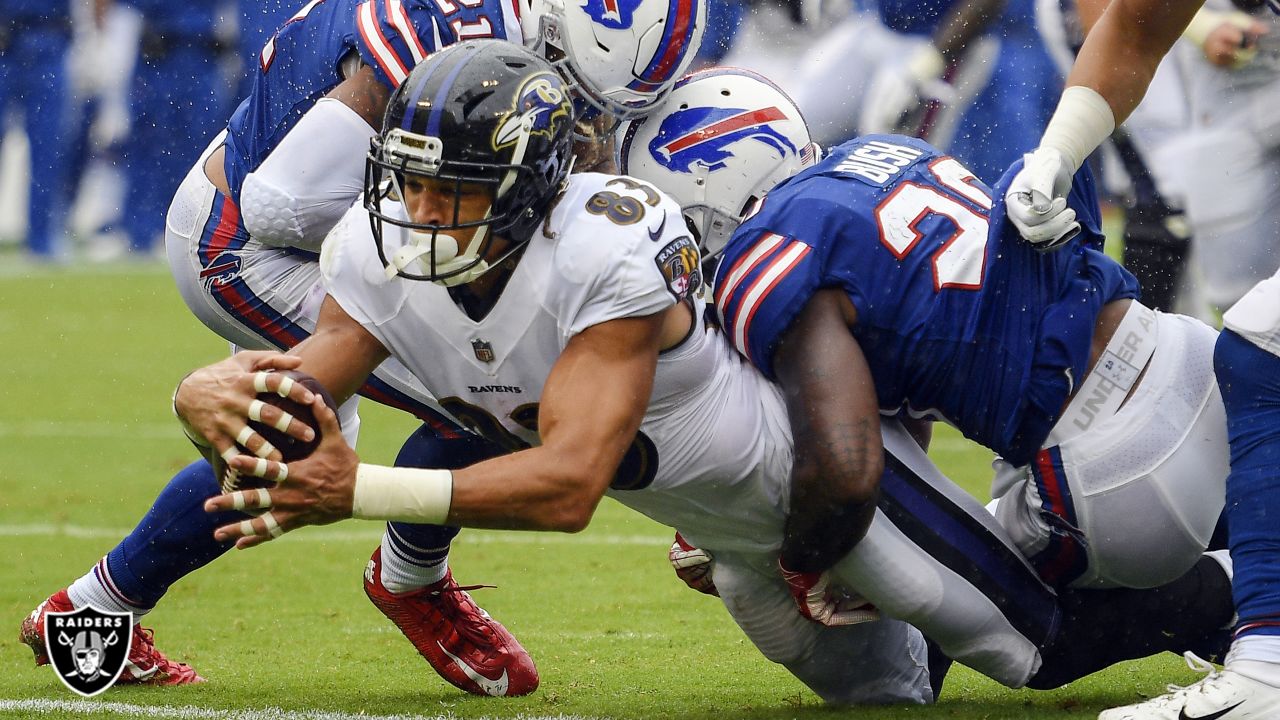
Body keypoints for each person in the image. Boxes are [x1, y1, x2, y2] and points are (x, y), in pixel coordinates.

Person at [188, 50, 1233, 704]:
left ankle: (1236, 608)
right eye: (408, 186)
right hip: (738, 539)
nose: (421, 216)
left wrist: (358, 491)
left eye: (451, 192)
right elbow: (298, 397)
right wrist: (212, 400)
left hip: (815, 497)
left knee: (1023, 649)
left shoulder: (611, 245)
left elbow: (568, 481)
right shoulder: (377, 257)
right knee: (881, 694)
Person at [19, 0, 706, 696]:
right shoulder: (456, 34)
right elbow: (284, 201)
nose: (588, 118)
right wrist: (454, 247)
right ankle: (411, 577)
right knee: (504, 380)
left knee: (284, 437)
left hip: (299, 224)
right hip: (248, 245)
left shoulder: (548, 36)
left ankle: (94, 606)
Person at [622, 66, 1229, 595]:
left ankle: (1218, 603)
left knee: (983, 606)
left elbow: (847, 474)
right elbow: (898, 405)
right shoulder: (878, 153)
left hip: (1112, 472)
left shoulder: (767, 256)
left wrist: (785, 557)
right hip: (1188, 355)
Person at [1004, 0, 1280, 716]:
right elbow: (1135, 23)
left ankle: (1271, 668)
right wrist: (1056, 156)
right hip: (1236, 98)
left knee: (1260, 340)